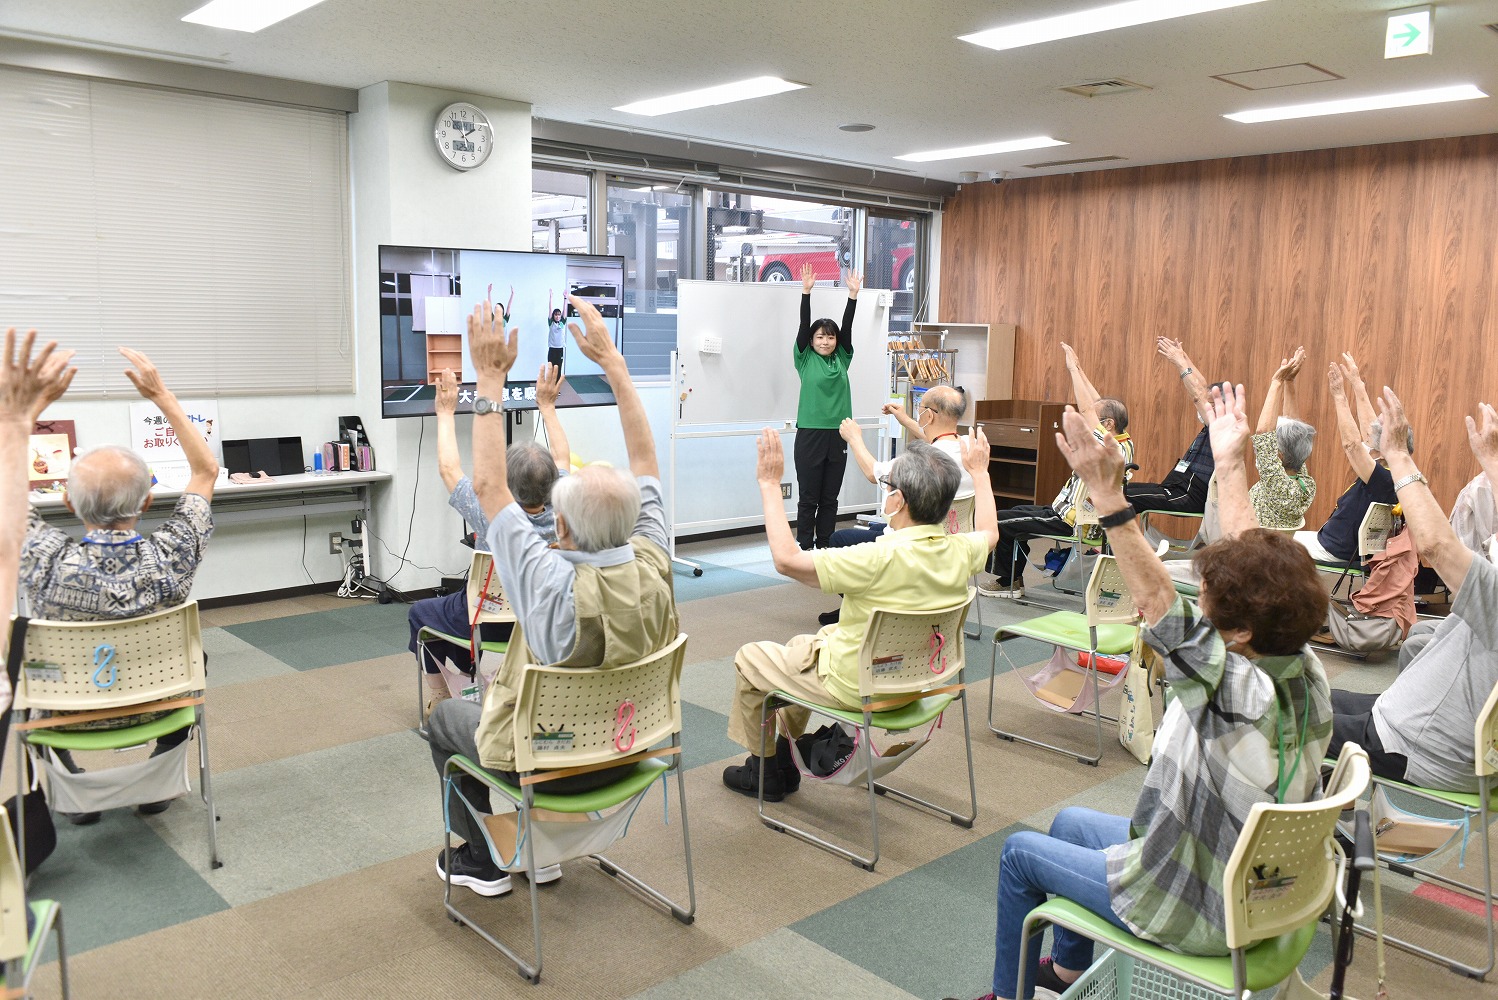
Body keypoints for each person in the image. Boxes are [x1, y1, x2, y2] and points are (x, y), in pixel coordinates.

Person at [950, 383, 1332, 1000]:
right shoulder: (1302, 664)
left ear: (1238, 633)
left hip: (1198, 906)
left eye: (1209, 603)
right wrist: (1229, 462)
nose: (1200, 604)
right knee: (1071, 822)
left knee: (1019, 854)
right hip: (1249, 881)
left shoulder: (1232, 693)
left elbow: (1156, 602)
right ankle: (1067, 972)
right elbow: (1260, 566)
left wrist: (1107, 495)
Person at [427, 293, 677, 899]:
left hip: (550, 763)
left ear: (561, 528)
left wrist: (489, 377)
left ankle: (484, 858)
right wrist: (613, 364)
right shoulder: (655, 563)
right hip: (629, 752)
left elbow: (487, 485)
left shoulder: (546, 581)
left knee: (444, 720)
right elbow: (646, 460)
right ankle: (539, 850)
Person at [722, 430, 998, 801]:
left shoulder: (874, 558)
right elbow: (990, 532)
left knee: (749, 658)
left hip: (857, 687)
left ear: (899, 500)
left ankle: (764, 771)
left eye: (888, 486)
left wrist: (770, 484)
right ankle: (785, 756)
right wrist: (980, 474)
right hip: (918, 684)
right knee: (802, 645)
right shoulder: (961, 550)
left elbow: (787, 561)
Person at [20, 347, 219, 824]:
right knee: (198, 656)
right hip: (160, 704)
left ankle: (70, 783)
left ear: (69, 505)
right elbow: (206, 472)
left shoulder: (45, 559)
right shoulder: (172, 554)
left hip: (66, 711)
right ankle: (158, 777)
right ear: (147, 501)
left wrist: (29, 411)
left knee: (26, 669)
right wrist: (161, 395)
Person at [1325, 392, 1498, 793]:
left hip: (1419, 745)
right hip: (1429, 727)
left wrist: (1399, 454)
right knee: (1308, 694)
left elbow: (1436, 546)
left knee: (1279, 718)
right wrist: (1490, 460)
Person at [408, 365, 570, 719]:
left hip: (490, 621)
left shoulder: (489, 511)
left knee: (421, 613)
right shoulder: (564, 506)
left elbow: (449, 469)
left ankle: (440, 696)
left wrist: (445, 411)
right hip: (544, 620)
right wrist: (547, 407)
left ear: (503, 482)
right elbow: (562, 459)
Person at [979, 343, 1132, 599]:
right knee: (1015, 513)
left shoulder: (1107, 445)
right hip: (1064, 513)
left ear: (1108, 424)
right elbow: (1096, 404)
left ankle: (1008, 582)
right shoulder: (1124, 441)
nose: (1087, 421)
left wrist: (1071, 369)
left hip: (1072, 523)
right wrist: (1080, 370)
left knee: (999, 522)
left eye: (1095, 420)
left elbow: (1087, 408)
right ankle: (1013, 577)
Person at [815, 389, 979, 627]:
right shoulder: (970, 450)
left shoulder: (918, 461)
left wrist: (854, 439)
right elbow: (937, 442)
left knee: (839, 540)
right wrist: (905, 420)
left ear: (929, 416)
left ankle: (865, 605)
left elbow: (873, 473)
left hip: (910, 546)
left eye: (920, 409)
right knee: (872, 531)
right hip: (951, 543)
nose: (918, 415)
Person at [1295, 357, 1399, 564]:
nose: (1372, 429)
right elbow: (1371, 430)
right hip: (1333, 542)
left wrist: (1339, 396)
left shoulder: (1385, 479)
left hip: (1335, 548)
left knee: (1272, 543)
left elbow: (1352, 445)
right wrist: (1357, 385)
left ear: (1386, 442)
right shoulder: (1389, 470)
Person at [791, 262, 862, 550]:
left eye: (830, 337)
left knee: (830, 498)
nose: (826, 341)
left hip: (839, 434)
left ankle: (825, 545)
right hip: (810, 433)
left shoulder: (842, 358)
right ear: (811, 341)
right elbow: (802, 326)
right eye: (820, 336)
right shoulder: (805, 358)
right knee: (809, 497)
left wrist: (852, 296)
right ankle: (804, 547)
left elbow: (848, 327)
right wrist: (806, 293)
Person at [1124, 338, 1217, 517]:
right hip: (1178, 485)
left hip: (1189, 495)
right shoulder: (1214, 419)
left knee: (1122, 497)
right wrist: (1183, 356)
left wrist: (1179, 362)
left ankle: (1107, 535)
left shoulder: (1222, 425)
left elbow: (1198, 396)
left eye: (1211, 403)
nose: (1207, 405)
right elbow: (1202, 387)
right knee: (1122, 490)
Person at [1248, 347, 1316, 530]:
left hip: (1255, 544)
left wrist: (1277, 382)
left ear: (1278, 455)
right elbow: (1294, 427)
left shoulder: (1277, 484)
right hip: (1278, 545)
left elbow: (1263, 433)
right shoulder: (1303, 481)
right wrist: (1289, 382)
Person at [546, 290, 566, 371]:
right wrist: (551, 297)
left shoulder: (562, 323)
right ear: (553, 316)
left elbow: (565, 310)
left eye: (559, 315)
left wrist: (565, 298)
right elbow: (550, 309)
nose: (557, 316)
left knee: (558, 369)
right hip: (552, 349)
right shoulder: (551, 323)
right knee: (551, 369)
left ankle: (558, 380)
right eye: (556, 315)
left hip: (560, 349)